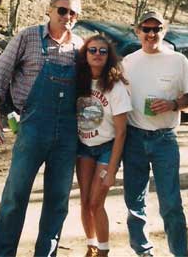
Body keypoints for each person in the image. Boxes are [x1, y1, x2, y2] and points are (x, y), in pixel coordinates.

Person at [0, 0, 83, 256]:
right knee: (15, 196)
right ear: (49, 11)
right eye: (62, 11)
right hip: (33, 127)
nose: (67, 17)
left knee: (58, 200)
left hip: (68, 133)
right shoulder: (28, 37)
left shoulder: (81, 47)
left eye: (73, 13)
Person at [121, 10, 188, 256]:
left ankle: (180, 252)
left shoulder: (178, 60)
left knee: (171, 203)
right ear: (138, 31)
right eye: (146, 29)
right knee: (134, 202)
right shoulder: (128, 62)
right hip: (134, 137)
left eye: (156, 29)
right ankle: (143, 250)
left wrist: (172, 105)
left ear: (164, 30)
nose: (151, 34)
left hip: (165, 139)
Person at [75, 35, 132, 257]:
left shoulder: (115, 87)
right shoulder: (78, 81)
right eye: (92, 50)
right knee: (84, 201)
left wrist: (112, 169)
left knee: (96, 203)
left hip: (107, 147)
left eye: (102, 51)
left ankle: (104, 250)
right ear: (85, 54)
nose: (97, 54)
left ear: (109, 56)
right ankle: (90, 244)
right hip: (83, 147)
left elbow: (121, 132)